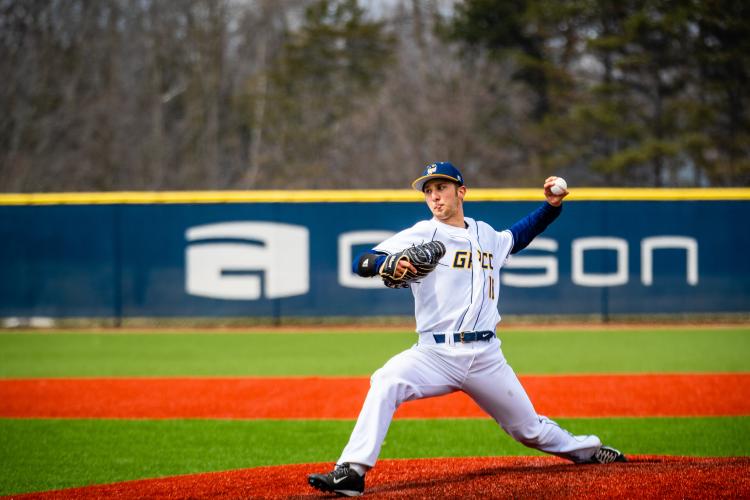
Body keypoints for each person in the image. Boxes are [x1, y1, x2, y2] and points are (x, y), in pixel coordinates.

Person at [307, 162, 626, 497]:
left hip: (486, 357)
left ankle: (588, 451)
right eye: (428, 191)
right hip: (435, 353)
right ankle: (352, 472)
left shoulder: (486, 234)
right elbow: (362, 261)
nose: (434, 196)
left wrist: (552, 207)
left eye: (441, 188)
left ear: (461, 192)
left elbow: (517, 236)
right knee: (386, 380)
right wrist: (385, 263)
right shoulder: (423, 232)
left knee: (528, 430)